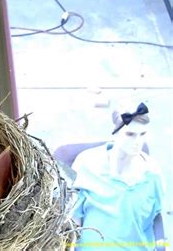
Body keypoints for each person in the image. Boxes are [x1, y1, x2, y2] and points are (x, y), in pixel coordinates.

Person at [71, 102, 167, 250]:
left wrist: (162, 246)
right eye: (130, 134)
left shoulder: (152, 174)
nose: (137, 142)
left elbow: (157, 217)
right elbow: (74, 219)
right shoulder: (87, 164)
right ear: (115, 133)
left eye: (142, 134)